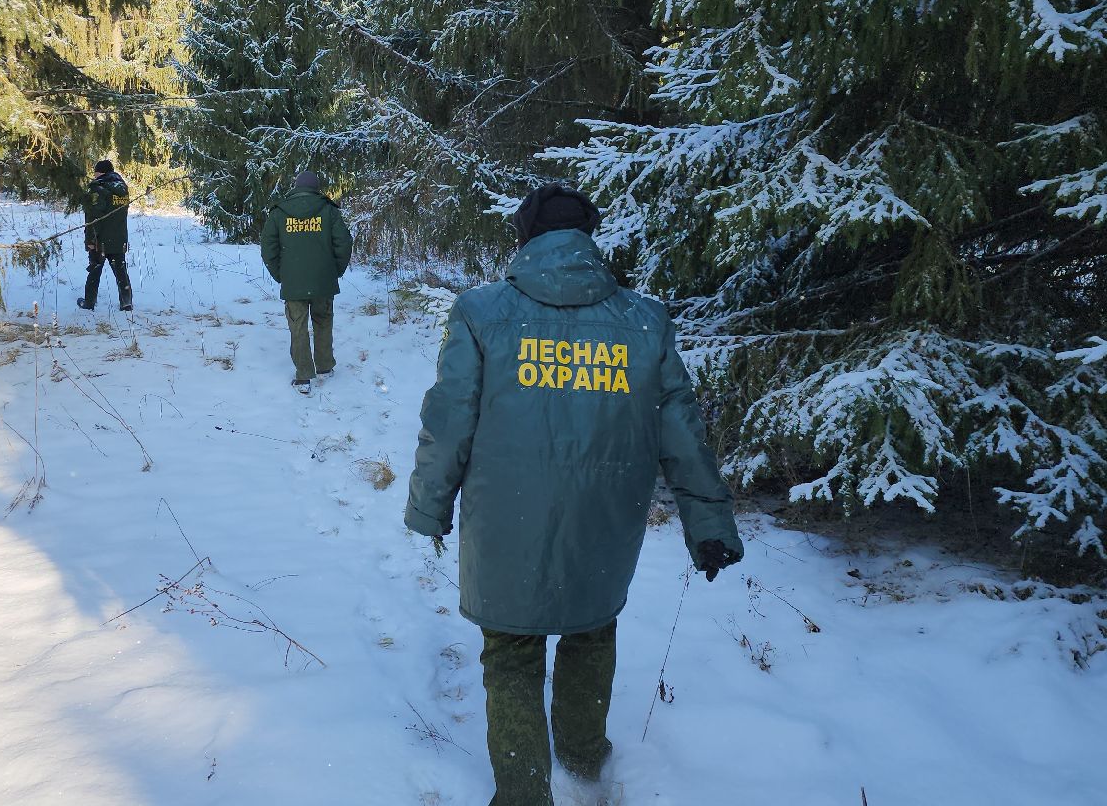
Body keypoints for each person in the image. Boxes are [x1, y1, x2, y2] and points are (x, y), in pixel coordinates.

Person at [404, 183, 744, 806]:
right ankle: (585, 759)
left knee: (510, 648)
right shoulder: (643, 321)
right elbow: (682, 429)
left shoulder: (482, 312)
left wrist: (430, 503)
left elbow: (450, 415)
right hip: (604, 517)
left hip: (506, 517)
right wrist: (709, 523)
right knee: (591, 630)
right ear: (588, 238)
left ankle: (523, 794)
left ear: (525, 237)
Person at [260, 171, 353, 395]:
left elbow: (268, 249)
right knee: (323, 321)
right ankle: (324, 367)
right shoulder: (329, 211)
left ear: (296, 186)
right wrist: (335, 271)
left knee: (298, 327)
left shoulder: (279, 213)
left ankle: (303, 377)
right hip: (323, 279)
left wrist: (281, 275)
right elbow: (344, 244)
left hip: (294, 283)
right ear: (316, 187)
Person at [77, 159, 133, 312]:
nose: (94, 175)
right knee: (121, 272)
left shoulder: (98, 189)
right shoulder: (122, 189)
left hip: (99, 240)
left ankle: (89, 302)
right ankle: (126, 302)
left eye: (95, 171)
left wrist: (89, 240)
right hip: (119, 238)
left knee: (95, 270)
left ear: (100, 172)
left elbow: (92, 217)